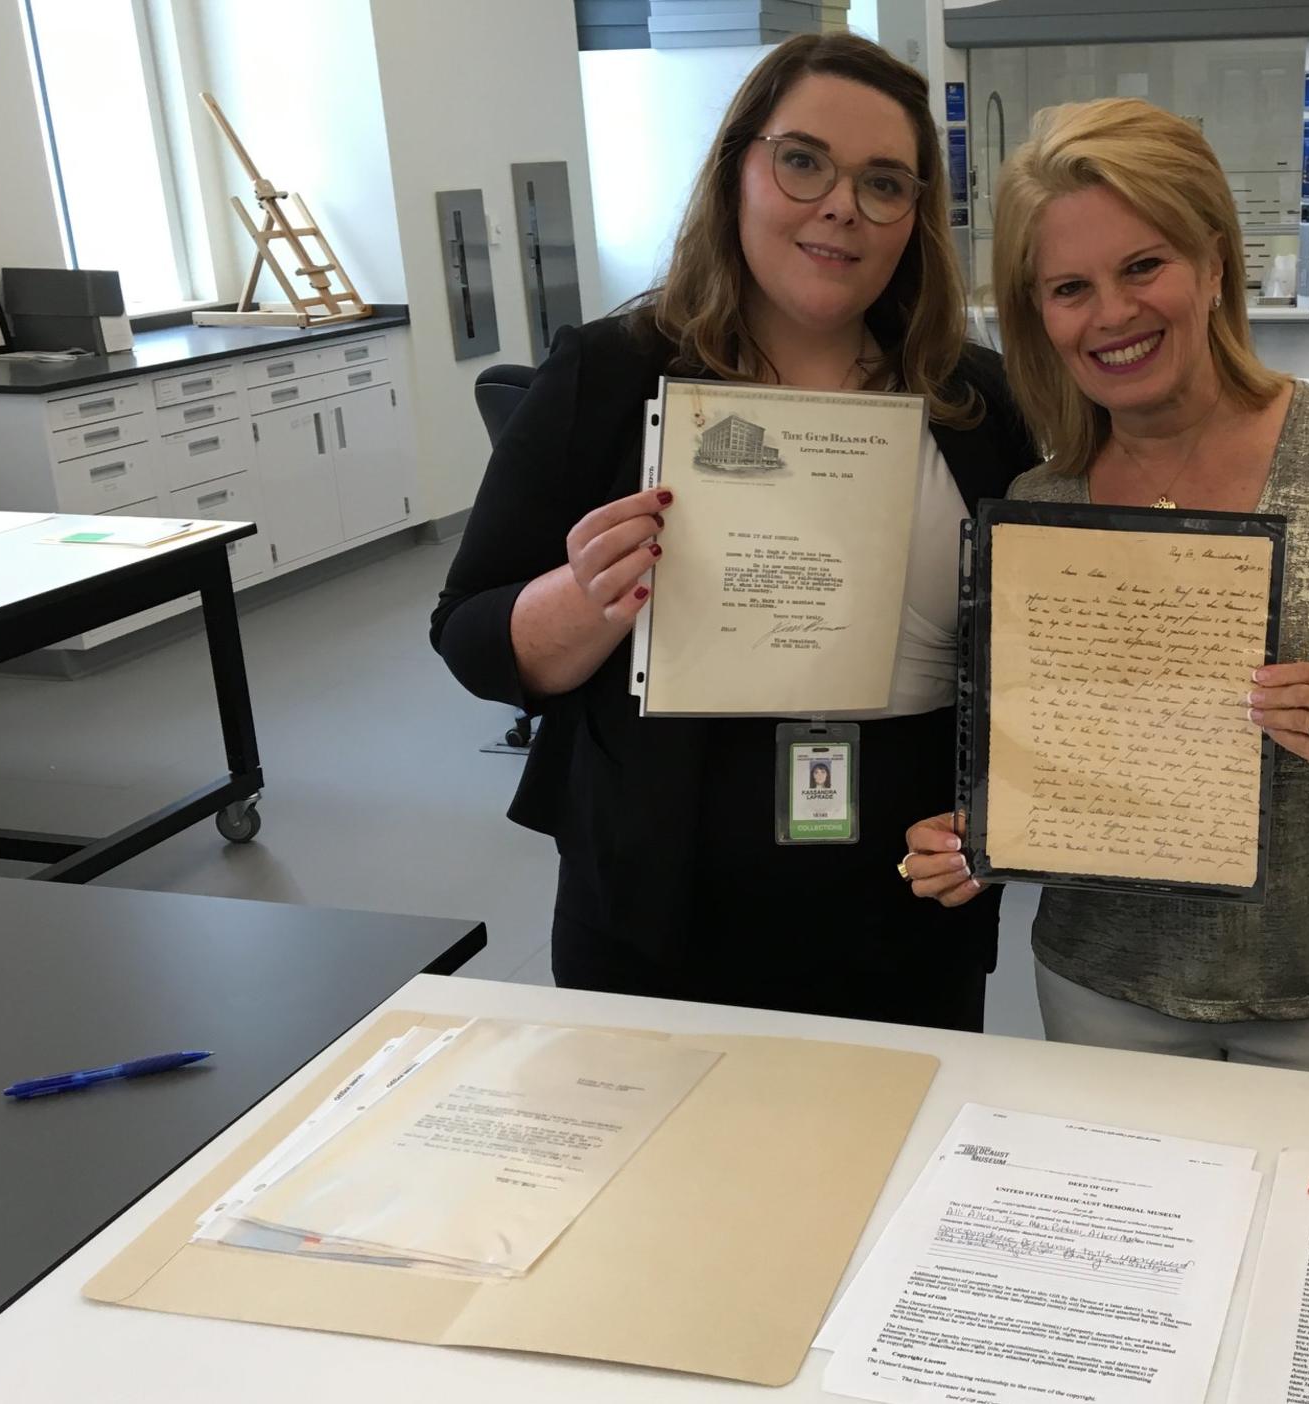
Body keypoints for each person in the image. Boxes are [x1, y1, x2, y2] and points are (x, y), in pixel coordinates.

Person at [901, 99, 1309, 1080]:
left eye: (1143, 266)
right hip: (1109, 984)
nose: (1111, 314)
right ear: (1038, 315)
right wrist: (991, 830)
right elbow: (1053, 748)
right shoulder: (1039, 508)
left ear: (1215, 260)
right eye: (1069, 287)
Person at [433, 34, 1037, 1031]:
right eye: (803, 161)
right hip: (660, 903)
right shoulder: (611, 375)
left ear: (916, 217)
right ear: (737, 171)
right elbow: (470, 636)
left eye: (885, 183)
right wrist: (585, 603)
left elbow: (1034, 660)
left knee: (885, 1164)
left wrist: (1001, 812)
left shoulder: (979, 404)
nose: (842, 206)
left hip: (906, 900)